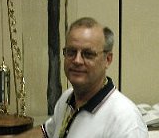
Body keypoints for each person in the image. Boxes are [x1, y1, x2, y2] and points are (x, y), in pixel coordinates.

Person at [16, 17, 148, 138]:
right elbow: (47, 133)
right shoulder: (67, 99)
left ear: (107, 59)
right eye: (71, 52)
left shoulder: (126, 122)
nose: (77, 60)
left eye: (88, 54)